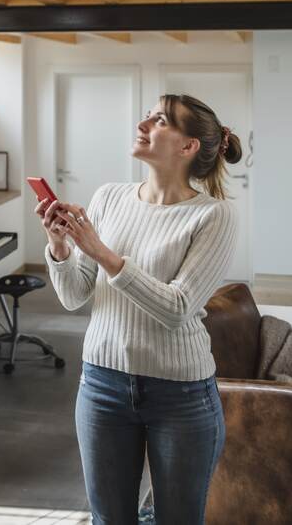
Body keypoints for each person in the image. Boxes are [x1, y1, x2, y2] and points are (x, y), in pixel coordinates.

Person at [38, 93, 241, 525]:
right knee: (109, 520)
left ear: (188, 147)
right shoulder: (109, 198)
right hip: (101, 386)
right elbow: (75, 294)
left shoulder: (213, 216)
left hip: (181, 396)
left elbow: (177, 307)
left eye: (160, 120)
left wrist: (103, 253)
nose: (143, 124)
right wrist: (59, 247)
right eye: (147, 115)